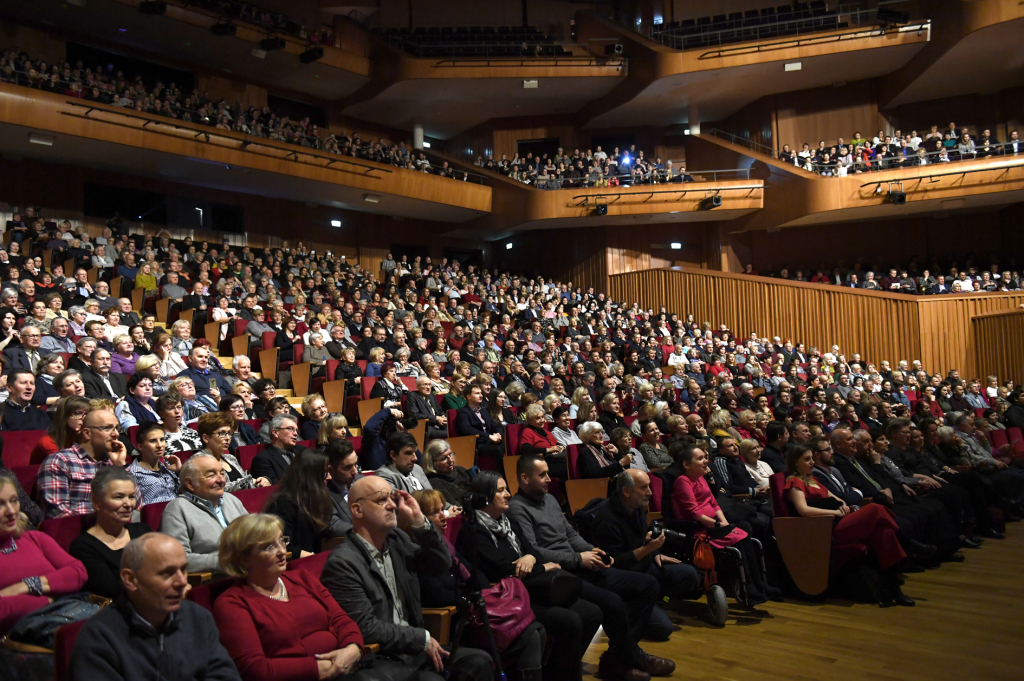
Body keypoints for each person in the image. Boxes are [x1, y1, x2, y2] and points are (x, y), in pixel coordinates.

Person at [507, 454, 674, 681]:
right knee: (613, 603)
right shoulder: (517, 508)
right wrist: (578, 558)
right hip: (560, 572)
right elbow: (535, 551)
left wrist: (593, 550)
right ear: (524, 478)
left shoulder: (551, 500)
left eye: (548, 473)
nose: (549, 479)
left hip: (581, 563)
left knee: (648, 585)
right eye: (542, 475)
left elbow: (569, 533)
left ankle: (618, 658)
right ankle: (631, 658)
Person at [319, 476, 495, 681]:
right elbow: (365, 627)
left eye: (392, 498)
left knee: (479, 661)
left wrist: (420, 522)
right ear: (357, 510)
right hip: (379, 658)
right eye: (381, 500)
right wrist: (421, 639)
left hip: (412, 650)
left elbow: (441, 563)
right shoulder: (342, 562)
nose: (392, 505)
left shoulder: (397, 541)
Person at [214, 513, 405, 681]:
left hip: (349, 668)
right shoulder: (232, 603)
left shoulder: (301, 578)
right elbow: (255, 669)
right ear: (243, 558)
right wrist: (320, 667)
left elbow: (342, 621)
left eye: (282, 541)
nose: (282, 551)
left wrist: (352, 649)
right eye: (269, 547)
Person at [456, 471, 601, 681]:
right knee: (570, 620)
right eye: (500, 490)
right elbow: (502, 568)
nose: (507, 494)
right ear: (484, 497)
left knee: (593, 612)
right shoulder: (474, 529)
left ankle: (557, 669)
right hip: (505, 596)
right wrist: (543, 567)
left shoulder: (507, 521)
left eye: (506, 489)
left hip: (529, 586)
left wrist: (531, 560)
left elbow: (531, 550)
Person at [69, 533, 242, 680]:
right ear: (130, 580)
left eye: (183, 570)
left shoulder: (198, 617)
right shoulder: (100, 636)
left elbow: (225, 675)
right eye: (167, 573)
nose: (182, 582)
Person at [785, 442, 912, 606]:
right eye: (807, 459)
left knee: (883, 531)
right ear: (796, 462)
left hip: (837, 519)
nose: (812, 462)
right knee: (874, 509)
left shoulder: (812, 479)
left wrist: (843, 505)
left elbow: (836, 498)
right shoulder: (795, 482)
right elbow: (804, 510)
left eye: (812, 459)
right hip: (824, 529)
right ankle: (905, 539)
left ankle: (893, 590)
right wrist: (836, 512)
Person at [591, 470, 701, 640]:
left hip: (644, 566)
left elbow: (644, 537)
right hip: (626, 580)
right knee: (663, 629)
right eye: (644, 488)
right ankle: (633, 607)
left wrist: (655, 552)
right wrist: (648, 550)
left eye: (649, 486)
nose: (650, 492)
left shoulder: (635, 507)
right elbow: (614, 563)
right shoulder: (607, 519)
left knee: (689, 574)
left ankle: (653, 600)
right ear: (627, 491)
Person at [668, 443, 782, 606]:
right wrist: (717, 525)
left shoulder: (700, 478)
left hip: (715, 526)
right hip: (699, 529)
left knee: (746, 538)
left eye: (705, 457)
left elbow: (714, 503)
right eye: (700, 458)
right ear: (686, 464)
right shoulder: (682, 481)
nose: (705, 461)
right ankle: (748, 587)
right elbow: (694, 512)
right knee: (738, 542)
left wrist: (725, 523)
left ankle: (759, 582)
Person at [0, 469, 88, 634]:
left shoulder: (34, 538)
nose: (11, 511)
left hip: (67, 619)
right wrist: (49, 599)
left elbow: (79, 572)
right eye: (0, 504)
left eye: (14, 501)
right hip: (23, 642)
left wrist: (27, 586)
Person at [69, 467, 151, 599]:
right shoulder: (84, 547)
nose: (128, 504)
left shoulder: (142, 531)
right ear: (97, 503)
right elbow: (112, 591)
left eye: (131, 497)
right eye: (118, 497)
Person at [160, 453, 249, 573]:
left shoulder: (231, 499)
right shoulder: (177, 509)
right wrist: (227, 561)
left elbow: (254, 535)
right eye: (211, 475)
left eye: (222, 473)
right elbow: (177, 559)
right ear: (190, 484)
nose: (221, 480)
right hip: (217, 581)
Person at [38, 408, 128, 518]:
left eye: (117, 428)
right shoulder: (60, 461)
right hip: (78, 530)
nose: (116, 434)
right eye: (107, 428)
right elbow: (58, 512)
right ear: (87, 433)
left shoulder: (113, 461)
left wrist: (119, 466)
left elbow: (137, 504)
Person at [265, 449, 341, 558]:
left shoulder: (315, 499)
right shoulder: (284, 503)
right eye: (324, 472)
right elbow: (283, 546)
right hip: (294, 564)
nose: (329, 477)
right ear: (312, 475)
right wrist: (316, 559)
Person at [127, 420, 182, 506]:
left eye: (162, 439)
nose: (160, 445)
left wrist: (179, 472)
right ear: (140, 446)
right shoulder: (132, 474)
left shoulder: (169, 468)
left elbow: (185, 495)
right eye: (153, 441)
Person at [455, 383, 504, 466]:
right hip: (476, 444)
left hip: (489, 441)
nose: (481, 395)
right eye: (477, 393)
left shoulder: (483, 410)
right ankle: (503, 476)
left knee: (508, 446)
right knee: (498, 449)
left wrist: (498, 434)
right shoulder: (463, 412)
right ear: (468, 396)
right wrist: (488, 436)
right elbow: (467, 429)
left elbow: (494, 425)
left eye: (481, 393)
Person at [519, 402, 568, 480]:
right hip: (543, 462)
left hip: (557, 459)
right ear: (530, 421)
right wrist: (548, 450)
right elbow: (526, 449)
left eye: (542, 417)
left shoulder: (547, 433)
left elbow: (558, 444)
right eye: (538, 418)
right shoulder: (527, 432)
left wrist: (560, 448)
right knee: (566, 469)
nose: (542, 420)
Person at [325, 438, 362, 536]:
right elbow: (333, 525)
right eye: (347, 467)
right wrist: (365, 530)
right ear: (330, 469)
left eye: (355, 465)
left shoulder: (362, 481)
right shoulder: (324, 493)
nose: (355, 471)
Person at [251, 414, 300, 485]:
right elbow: (274, 489)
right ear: (275, 432)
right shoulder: (263, 459)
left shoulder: (302, 450)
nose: (295, 433)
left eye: (296, 430)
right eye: (290, 429)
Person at [423, 439, 471, 507]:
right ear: (433, 462)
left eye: (450, 454)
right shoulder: (435, 482)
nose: (450, 460)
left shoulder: (460, 470)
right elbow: (454, 506)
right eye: (444, 458)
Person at [407, 375, 449, 442]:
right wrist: (436, 419)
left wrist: (444, 418)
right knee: (450, 433)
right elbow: (415, 415)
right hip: (425, 427)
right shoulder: (412, 396)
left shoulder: (431, 395)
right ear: (417, 386)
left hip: (439, 426)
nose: (428, 387)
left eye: (429, 384)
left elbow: (440, 411)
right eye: (425, 385)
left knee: (456, 429)